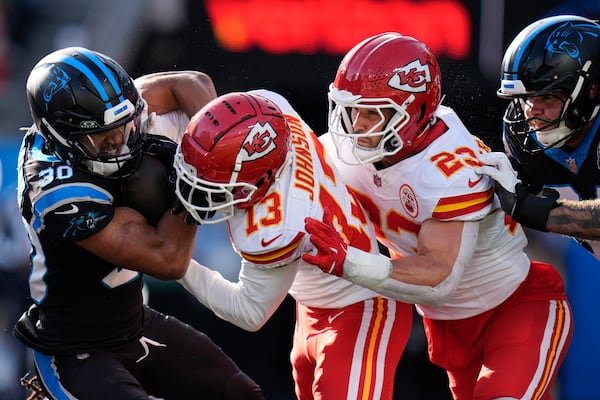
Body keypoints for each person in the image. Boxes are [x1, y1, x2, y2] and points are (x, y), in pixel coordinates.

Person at [300, 32, 573, 400]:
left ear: (414, 111)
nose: (356, 125)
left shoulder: (449, 170)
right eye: (351, 110)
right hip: (448, 328)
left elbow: (440, 278)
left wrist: (350, 263)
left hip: (515, 310)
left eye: (371, 112)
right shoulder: (343, 148)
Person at [14, 46, 264, 399]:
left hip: (135, 325)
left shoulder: (103, 111)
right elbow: (169, 259)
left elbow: (192, 83)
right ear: (62, 136)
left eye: (123, 125)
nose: (119, 139)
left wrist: (211, 139)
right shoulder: (58, 192)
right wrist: (196, 178)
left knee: (242, 394)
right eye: (104, 136)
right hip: (77, 351)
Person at [174, 89, 413, 399]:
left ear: (259, 181)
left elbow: (248, 310)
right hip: (312, 305)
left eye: (219, 184)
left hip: (360, 310)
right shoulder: (271, 110)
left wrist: (177, 265)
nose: (207, 191)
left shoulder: (282, 224)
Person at [474, 15, 600, 248]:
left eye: (548, 95)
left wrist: (541, 213)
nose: (532, 110)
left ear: (591, 89)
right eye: (525, 98)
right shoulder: (521, 135)